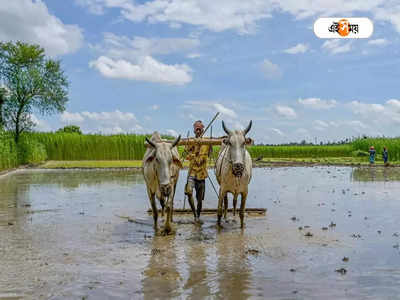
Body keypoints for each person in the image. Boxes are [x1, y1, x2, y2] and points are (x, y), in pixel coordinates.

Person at [184, 120, 212, 221]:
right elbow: (185, 155)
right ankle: (195, 214)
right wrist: (194, 152)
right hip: (192, 172)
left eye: (200, 129)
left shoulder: (207, 142)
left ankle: (198, 215)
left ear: (203, 130)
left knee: (199, 200)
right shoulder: (190, 142)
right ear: (194, 131)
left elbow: (210, 154)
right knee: (189, 192)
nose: (198, 131)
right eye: (197, 129)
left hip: (202, 173)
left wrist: (207, 143)